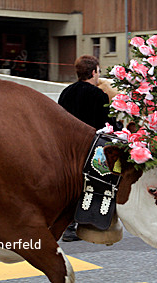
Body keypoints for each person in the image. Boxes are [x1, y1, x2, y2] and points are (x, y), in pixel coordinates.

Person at [58, 55, 121, 242]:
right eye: (98, 71)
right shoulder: (99, 95)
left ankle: (68, 226)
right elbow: (107, 125)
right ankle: (93, 222)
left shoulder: (66, 93)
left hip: (68, 148)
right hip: (91, 149)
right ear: (94, 72)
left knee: (72, 186)